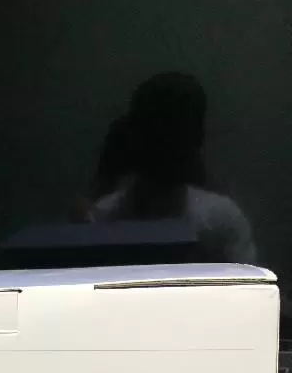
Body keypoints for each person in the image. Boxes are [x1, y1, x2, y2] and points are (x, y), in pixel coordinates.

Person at [84, 72, 257, 264]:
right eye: (158, 132)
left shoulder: (223, 221)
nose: (166, 146)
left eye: (177, 133)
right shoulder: (222, 220)